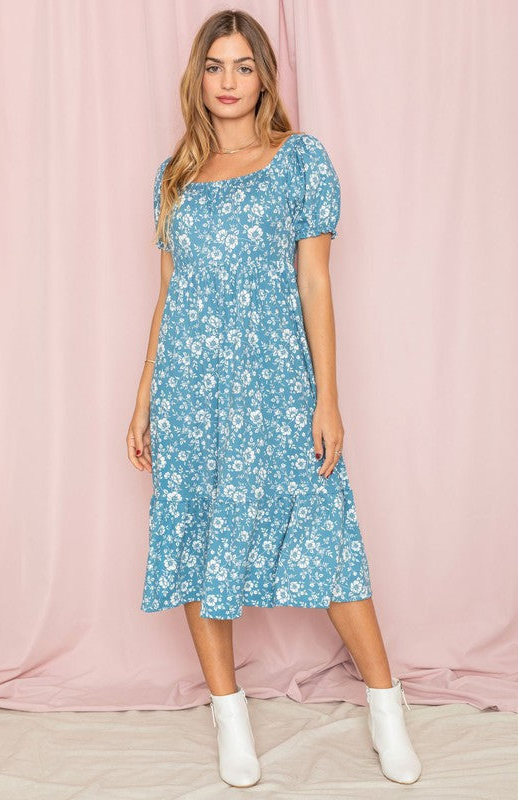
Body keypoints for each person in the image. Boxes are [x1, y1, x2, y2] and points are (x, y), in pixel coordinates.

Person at [127, 7, 421, 790]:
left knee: (326, 538)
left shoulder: (300, 160)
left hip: (275, 386)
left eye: (243, 66)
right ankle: (229, 718)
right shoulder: (173, 176)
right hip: (191, 390)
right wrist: (143, 397)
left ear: (265, 77)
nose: (228, 82)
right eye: (214, 67)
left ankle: (385, 706)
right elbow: (169, 295)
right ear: (198, 78)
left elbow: (315, 282)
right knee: (196, 540)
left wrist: (327, 400)